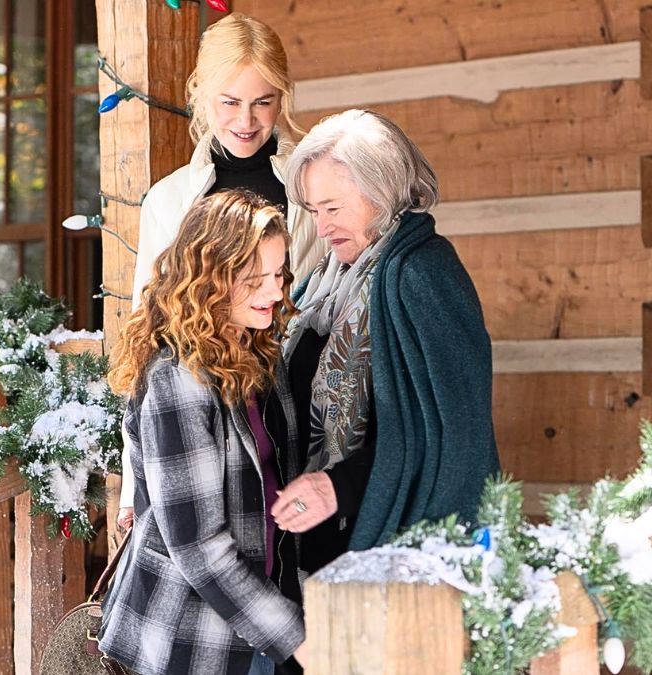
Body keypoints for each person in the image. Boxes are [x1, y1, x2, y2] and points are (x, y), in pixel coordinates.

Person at [118, 14, 328, 530]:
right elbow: (147, 335)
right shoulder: (168, 201)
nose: (246, 120)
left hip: (301, 405)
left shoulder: (311, 183)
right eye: (229, 102)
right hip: (204, 421)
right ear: (200, 94)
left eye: (264, 101)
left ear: (283, 97)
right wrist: (132, 481)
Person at [271, 109, 500, 573]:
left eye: (333, 209)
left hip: (383, 541)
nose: (321, 227)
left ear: (381, 192)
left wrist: (339, 486)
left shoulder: (422, 273)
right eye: (315, 211)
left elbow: (451, 431)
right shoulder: (324, 280)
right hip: (314, 537)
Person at [100, 191, 307, 675]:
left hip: (259, 619)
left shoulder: (255, 352)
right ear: (208, 278)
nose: (275, 293)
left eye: (277, 275)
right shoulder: (179, 378)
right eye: (255, 279)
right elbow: (198, 546)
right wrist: (298, 640)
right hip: (193, 643)